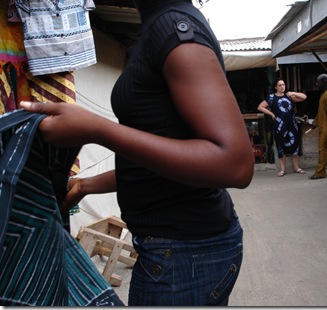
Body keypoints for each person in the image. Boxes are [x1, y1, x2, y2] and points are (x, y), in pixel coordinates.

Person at [20, 0, 255, 306]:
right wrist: (87, 185)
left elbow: (234, 164)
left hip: (184, 252)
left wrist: (97, 129)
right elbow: (160, 158)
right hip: (179, 249)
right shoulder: (158, 28)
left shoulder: (173, 28)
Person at [257, 78, 307, 177]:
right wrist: (271, 113)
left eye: (283, 85)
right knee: (280, 146)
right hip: (279, 126)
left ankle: (296, 167)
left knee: (294, 145)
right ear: (275, 87)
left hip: (292, 124)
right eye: (279, 85)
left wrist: (293, 93)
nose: (282, 87)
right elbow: (260, 107)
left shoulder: (289, 96)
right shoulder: (271, 98)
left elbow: (304, 97)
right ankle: (282, 170)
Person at [308, 74, 327, 179]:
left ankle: (320, 172)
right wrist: (315, 123)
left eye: (318, 82)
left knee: (323, 149)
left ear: (324, 82)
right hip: (324, 127)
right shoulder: (324, 94)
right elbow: (321, 112)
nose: (316, 84)